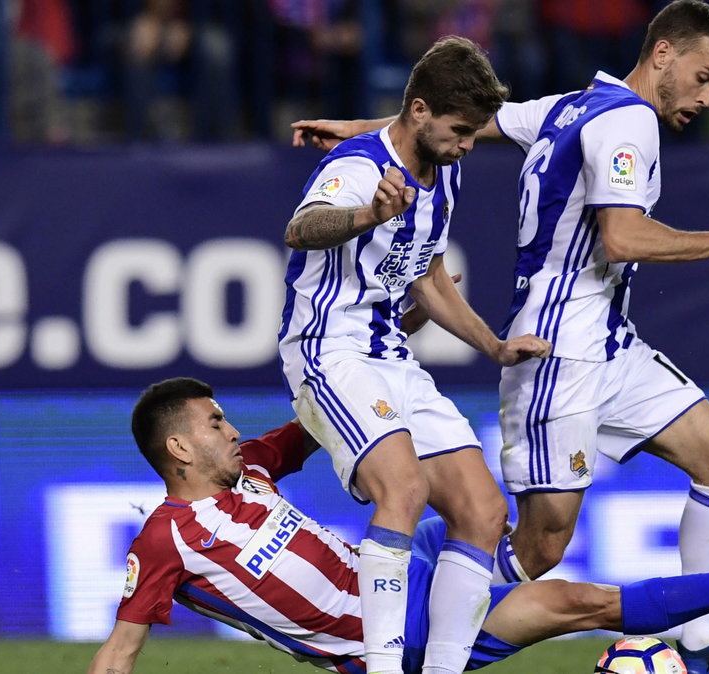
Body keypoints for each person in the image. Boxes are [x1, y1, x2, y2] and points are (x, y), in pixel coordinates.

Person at [291, 3, 709, 672]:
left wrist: (362, 129)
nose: (707, 98)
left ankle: (707, 650)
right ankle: (421, 593)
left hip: (612, 343)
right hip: (559, 353)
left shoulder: (574, 106)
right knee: (538, 550)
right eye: (703, 77)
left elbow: (470, 121)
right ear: (662, 57)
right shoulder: (629, 123)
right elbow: (622, 235)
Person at [86, 377, 709, 674]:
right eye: (216, 422)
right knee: (574, 602)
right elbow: (120, 650)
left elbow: (315, 424)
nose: (232, 429)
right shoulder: (167, 539)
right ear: (178, 447)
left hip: (407, 570)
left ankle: (694, 653)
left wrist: (376, 347)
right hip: (389, 637)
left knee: (497, 518)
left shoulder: (252, 469)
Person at [278, 36, 552, 674]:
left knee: (483, 513)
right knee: (402, 489)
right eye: (460, 131)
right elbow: (302, 227)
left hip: (391, 354)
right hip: (328, 350)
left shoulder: (444, 170)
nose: (466, 146)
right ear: (421, 111)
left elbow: (426, 274)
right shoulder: (358, 167)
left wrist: (494, 346)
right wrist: (366, 215)